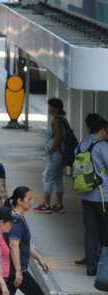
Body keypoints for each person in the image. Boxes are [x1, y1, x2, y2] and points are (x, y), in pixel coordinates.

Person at [74, 113, 108, 276]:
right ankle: (104, 264)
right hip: (103, 196)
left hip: (86, 195)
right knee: (105, 229)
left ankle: (91, 266)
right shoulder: (102, 146)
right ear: (102, 130)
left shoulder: (80, 146)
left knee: (90, 231)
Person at [34, 99, 69, 213]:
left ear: (56, 109)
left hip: (55, 154)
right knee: (58, 178)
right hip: (61, 153)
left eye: (50, 107)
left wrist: (50, 150)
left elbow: (58, 138)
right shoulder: (63, 119)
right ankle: (59, 205)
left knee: (47, 177)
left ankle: (46, 205)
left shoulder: (56, 120)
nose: (48, 109)